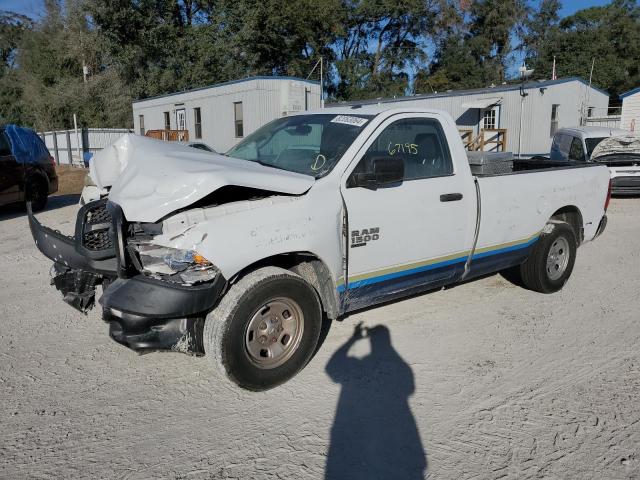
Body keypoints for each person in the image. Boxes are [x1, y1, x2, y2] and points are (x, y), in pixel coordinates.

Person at [325, 323, 427, 479]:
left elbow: (330, 368)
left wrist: (353, 340)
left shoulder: (362, 363)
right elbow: (410, 390)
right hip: (396, 430)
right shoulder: (403, 367)